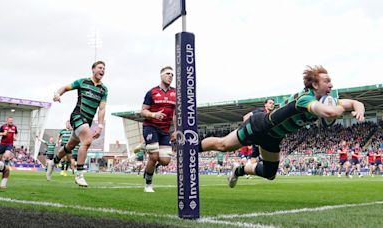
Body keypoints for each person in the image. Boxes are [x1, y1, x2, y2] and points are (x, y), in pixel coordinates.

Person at [198, 65, 365, 187]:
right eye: (327, 81)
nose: (331, 85)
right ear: (315, 85)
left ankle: (238, 170)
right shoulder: (305, 99)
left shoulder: (324, 100)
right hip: (259, 126)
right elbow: (329, 113)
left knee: (269, 173)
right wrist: (340, 108)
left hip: (273, 137)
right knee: (223, 145)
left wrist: (359, 110)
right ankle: (192, 149)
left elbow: (355, 102)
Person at [49, 61, 108, 187]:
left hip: (87, 121)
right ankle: (79, 174)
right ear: (93, 69)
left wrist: (100, 126)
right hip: (77, 116)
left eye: (104, 68)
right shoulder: (82, 82)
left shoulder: (104, 89)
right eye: (99, 67)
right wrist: (57, 94)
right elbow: (65, 87)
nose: (102, 70)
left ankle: (53, 162)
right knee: (87, 140)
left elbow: (102, 109)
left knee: (69, 147)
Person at [140, 66, 176, 192]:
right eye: (167, 73)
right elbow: (143, 111)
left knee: (165, 161)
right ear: (161, 76)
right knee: (154, 157)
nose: (170, 76)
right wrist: (153, 115)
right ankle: (148, 185)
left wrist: (176, 130)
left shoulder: (176, 93)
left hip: (165, 131)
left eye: (172, 74)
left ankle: (146, 147)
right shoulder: (152, 92)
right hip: (150, 127)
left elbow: (175, 114)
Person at [243, 98, 275, 164]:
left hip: (264, 138)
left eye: (273, 104)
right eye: (270, 103)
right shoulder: (260, 111)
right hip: (257, 137)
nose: (272, 105)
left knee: (254, 159)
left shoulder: (272, 115)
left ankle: (243, 169)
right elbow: (245, 117)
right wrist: (249, 131)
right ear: (265, 104)